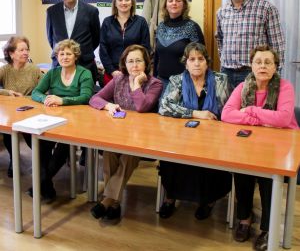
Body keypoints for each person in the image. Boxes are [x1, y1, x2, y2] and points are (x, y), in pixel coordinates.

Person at [221, 45, 299, 251]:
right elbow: (227, 114)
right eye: (258, 62)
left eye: (268, 62)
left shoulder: (285, 87)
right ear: (252, 65)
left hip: (281, 142)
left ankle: (267, 229)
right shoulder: (243, 86)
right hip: (253, 141)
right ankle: (244, 219)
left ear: (275, 66)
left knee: (268, 177)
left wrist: (252, 110)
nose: (262, 66)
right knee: (242, 171)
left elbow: (283, 119)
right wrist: (260, 120)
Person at [158, 42, 232, 220]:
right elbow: (164, 107)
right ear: (186, 63)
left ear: (207, 62)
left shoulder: (221, 80)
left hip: (213, 138)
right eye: (192, 59)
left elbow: (228, 110)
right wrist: (196, 113)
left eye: (201, 59)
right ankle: (171, 197)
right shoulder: (177, 80)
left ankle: (206, 200)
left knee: (208, 158)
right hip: (182, 136)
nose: (197, 63)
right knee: (171, 157)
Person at [89, 44, 163, 220]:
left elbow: (143, 107)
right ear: (124, 64)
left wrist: (137, 85)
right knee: (109, 152)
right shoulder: (119, 79)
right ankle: (113, 202)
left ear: (146, 63)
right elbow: (95, 98)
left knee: (129, 155)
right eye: (130, 61)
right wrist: (108, 105)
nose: (134, 65)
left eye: (139, 61)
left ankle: (107, 201)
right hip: (118, 133)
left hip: (142, 137)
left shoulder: (155, 83)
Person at [30, 39, 94, 200]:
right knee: (42, 142)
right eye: (61, 54)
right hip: (52, 118)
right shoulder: (52, 73)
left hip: (77, 121)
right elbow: (36, 92)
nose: (65, 57)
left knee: (64, 145)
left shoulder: (84, 73)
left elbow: (86, 97)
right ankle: (46, 185)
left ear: (76, 56)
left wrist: (62, 100)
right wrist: (44, 99)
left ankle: (42, 181)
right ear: (57, 56)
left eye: (69, 54)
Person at [216, 0, 285, 89]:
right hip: (227, 73)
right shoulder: (222, 12)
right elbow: (220, 40)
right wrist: (223, 61)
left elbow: (277, 44)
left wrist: (275, 73)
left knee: (252, 108)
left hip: (254, 72)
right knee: (228, 107)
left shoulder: (265, 8)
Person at [0, 36, 42, 177]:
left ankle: (41, 163)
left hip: (31, 111)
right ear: (11, 53)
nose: (25, 52)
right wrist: (7, 92)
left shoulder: (34, 70)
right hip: (10, 113)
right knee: (8, 132)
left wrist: (30, 98)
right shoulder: (5, 70)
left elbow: (45, 90)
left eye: (27, 49)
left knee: (30, 135)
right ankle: (13, 158)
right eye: (21, 50)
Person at [46, 0, 100, 83]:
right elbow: (51, 38)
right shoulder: (52, 11)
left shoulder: (91, 11)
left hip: (85, 64)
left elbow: (96, 38)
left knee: (85, 98)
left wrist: (81, 51)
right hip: (60, 65)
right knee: (58, 98)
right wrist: (63, 52)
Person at [154, 0, 205, 92]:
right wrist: (154, 77)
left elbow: (201, 58)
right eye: (170, 1)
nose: (174, 3)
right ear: (165, 5)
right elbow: (157, 56)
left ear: (184, 5)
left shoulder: (192, 27)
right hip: (161, 81)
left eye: (178, 0)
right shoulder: (161, 27)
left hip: (184, 83)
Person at [100, 0, 150, 86]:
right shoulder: (107, 22)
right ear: (115, 3)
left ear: (132, 3)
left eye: (127, 0)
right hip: (112, 74)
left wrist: (138, 70)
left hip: (135, 72)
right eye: (120, 0)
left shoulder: (141, 22)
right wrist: (112, 71)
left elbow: (146, 49)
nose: (124, 3)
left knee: (134, 100)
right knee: (110, 100)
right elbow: (103, 49)